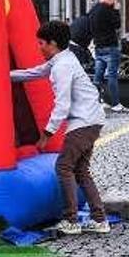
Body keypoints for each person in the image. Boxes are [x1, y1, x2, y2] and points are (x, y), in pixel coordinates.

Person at [11, 21, 108, 235]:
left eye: (41, 43)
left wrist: (47, 134)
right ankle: (99, 219)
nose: (39, 47)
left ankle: (71, 220)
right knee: (80, 170)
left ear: (52, 43)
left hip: (83, 121)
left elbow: (62, 104)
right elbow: (34, 73)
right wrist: (6, 75)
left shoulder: (62, 67)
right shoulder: (62, 59)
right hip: (91, 119)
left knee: (64, 167)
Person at [90, 0, 124, 112]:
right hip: (110, 46)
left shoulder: (93, 10)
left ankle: (96, 102)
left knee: (98, 77)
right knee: (112, 76)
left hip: (98, 47)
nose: (115, 1)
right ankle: (115, 104)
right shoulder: (108, 9)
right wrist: (116, 10)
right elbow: (117, 25)